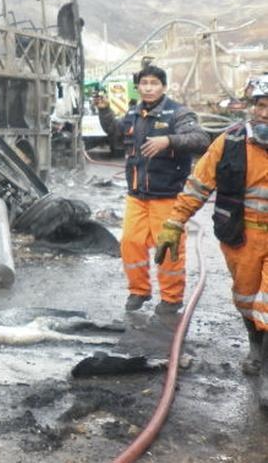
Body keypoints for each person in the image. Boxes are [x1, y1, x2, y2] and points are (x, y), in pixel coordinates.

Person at [156, 75, 268, 405]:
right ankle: (255, 345)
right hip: (242, 236)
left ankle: (266, 379)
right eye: (261, 105)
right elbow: (198, 186)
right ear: (251, 108)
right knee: (247, 299)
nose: (266, 113)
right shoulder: (230, 143)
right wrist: (174, 223)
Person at [94, 64, 209, 313]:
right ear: (138, 87)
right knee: (131, 243)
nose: (148, 88)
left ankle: (171, 297)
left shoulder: (178, 113)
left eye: (154, 83)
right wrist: (104, 111)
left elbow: (200, 140)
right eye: (144, 83)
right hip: (137, 195)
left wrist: (168, 140)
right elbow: (115, 137)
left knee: (168, 248)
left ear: (163, 87)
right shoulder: (134, 113)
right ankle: (139, 291)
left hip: (168, 196)